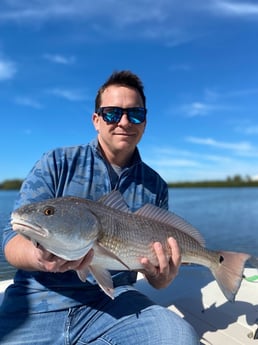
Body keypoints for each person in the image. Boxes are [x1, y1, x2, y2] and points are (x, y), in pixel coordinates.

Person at [0, 70, 199, 344]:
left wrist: (162, 277)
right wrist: (41, 258)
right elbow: (11, 237)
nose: (124, 122)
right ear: (96, 120)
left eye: (136, 114)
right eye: (112, 113)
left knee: (178, 337)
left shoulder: (155, 185)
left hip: (114, 302)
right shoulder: (57, 162)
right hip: (37, 301)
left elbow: (156, 281)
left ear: (145, 121)